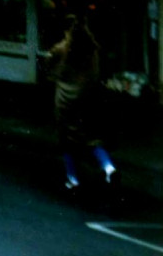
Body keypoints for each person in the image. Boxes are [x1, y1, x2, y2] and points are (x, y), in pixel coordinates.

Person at [46, 13, 116, 191]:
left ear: (66, 31)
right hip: (88, 100)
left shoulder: (61, 49)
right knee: (91, 137)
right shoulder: (93, 49)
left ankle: (72, 178)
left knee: (66, 140)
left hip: (65, 102)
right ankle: (108, 166)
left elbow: (48, 66)